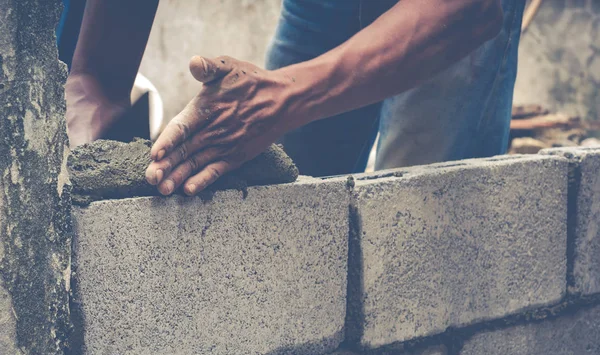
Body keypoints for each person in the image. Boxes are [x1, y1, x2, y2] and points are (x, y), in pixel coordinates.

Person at [59, 0, 524, 196]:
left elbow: (471, 10)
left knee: (413, 216)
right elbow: (92, 80)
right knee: (292, 195)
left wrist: (282, 98)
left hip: (445, 14)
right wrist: (90, 85)